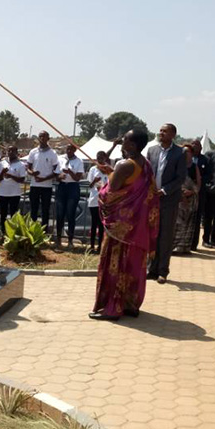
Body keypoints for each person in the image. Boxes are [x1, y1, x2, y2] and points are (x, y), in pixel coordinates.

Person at [90, 129, 159, 320]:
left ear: (133, 145)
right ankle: (130, 305)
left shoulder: (124, 165)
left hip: (120, 229)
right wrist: (112, 172)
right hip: (138, 228)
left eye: (125, 140)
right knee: (133, 265)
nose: (122, 143)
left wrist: (104, 184)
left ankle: (112, 308)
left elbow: (109, 194)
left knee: (115, 265)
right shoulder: (145, 165)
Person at [147, 123, 188, 283]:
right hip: (152, 199)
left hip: (169, 199)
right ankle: (151, 269)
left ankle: (163, 271)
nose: (161, 133)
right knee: (152, 234)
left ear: (173, 134)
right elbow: (147, 173)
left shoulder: (180, 152)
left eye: (165, 131)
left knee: (166, 236)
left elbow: (180, 177)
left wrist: (164, 190)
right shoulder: (152, 150)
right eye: (160, 130)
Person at [26, 131, 59, 231]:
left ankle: (44, 232)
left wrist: (44, 179)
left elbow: (56, 171)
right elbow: (28, 167)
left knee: (45, 210)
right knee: (33, 209)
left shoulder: (53, 153)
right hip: (34, 185)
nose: (42, 138)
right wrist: (32, 173)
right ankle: (32, 231)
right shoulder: (33, 152)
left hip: (46, 186)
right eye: (40, 136)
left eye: (44, 136)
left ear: (48, 139)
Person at [172, 143, 201, 255]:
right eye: (184, 151)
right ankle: (174, 247)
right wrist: (181, 192)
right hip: (179, 198)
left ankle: (184, 247)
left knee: (188, 223)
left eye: (188, 152)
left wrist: (192, 191)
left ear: (192, 154)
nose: (185, 154)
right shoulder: (176, 165)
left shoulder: (194, 167)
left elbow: (198, 183)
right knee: (177, 223)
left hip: (191, 200)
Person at [54, 144, 85, 248]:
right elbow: (56, 175)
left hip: (73, 187)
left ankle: (70, 241)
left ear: (75, 150)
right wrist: (60, 176)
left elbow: (78, 178)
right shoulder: (60, 159)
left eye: (71, 149)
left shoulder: (79, 161)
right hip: (62, 187)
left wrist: (70, 172)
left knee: (70, 214)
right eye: (67, 149)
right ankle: (58, 239)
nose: (69, 151)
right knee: (60, 214)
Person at [0, 145, 26, 235]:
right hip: (3, 193)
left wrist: (11, 176)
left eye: (12, 151)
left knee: (13, 215)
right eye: (9, 151)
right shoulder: (2, 163)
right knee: (3, 214)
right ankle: (3, 233)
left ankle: (13, 234)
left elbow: (22, 180)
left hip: (14, 194)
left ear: (16, 153)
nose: (10, 153)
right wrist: (2, 172)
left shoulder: (21, 164)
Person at [87, 150, 112, 253]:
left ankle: (100, 246)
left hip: (104, 201)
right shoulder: (93, 169)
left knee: (102, 224)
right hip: (94, 200)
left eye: (102, 158)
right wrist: (94, 181)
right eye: (98, 158)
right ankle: (92, 245)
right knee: (94, 223)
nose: (100, 160)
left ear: (105, 158)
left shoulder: (108, 170)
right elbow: (89, 185)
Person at [190, 140, 209, 251]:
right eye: (193, 144)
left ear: (201, 147)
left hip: (199, 192)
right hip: (185, 192)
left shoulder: (205, 160)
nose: (194, 146)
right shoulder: (185, 158)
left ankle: (193, 244)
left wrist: (199, 180)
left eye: (197, 145)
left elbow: (208, 175)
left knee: (197, 219)